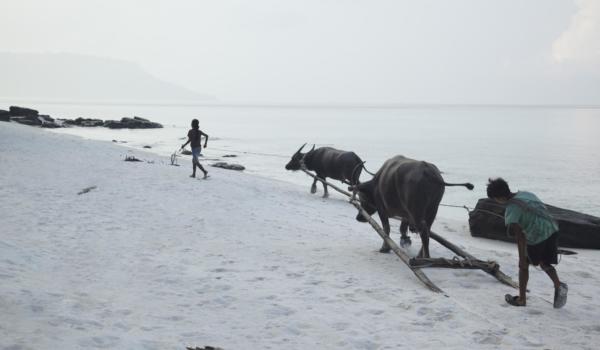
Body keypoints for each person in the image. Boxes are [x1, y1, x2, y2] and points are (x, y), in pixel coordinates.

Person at [486, 178, 567, 308]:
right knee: (544, 262)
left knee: (523, 266)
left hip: (537, 236)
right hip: (552, 229)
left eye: (495, 199)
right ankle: (559, 285)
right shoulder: (526, 194)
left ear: (500, 197)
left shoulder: (512, 209)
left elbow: (520, 237)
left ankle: (521, 299)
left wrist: (522, 258)